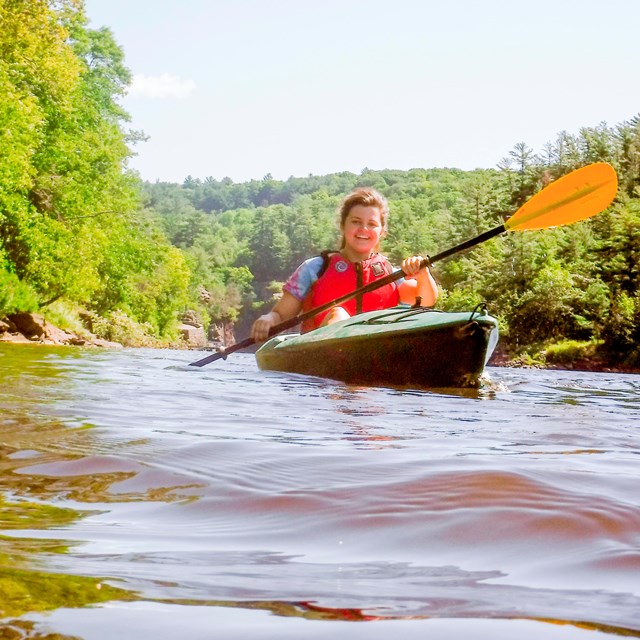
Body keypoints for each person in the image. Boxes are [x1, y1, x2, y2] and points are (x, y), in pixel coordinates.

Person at [251, 187, 438, 342]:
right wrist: (268, 318)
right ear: (343, 225)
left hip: (376, 349)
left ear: (382, 232)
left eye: (372, 224)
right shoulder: (315, 268)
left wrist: (422, 273)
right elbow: (281, 315)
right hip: (320, 352)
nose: (364, 229)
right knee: (338, 314)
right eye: (356, 222)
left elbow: (426, 300)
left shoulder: (390, 273)